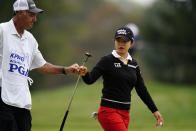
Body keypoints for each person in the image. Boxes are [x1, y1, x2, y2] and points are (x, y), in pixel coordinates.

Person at [0, 0, 80, 131]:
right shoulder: (2, 30)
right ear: (20, 13)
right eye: (31, 15)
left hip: (22, 102)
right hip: (3, 100)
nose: (35, 19)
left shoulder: (30, 39)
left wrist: (66, 70)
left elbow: (42, 65)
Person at [79, 27, 164, 131]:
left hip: (125, 113)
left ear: (131, 43)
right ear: (114, 42)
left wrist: (154, 110)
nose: (121, 44)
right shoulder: (107, 60)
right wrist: (85, 73)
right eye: (118, 40)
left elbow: (141, 90)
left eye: (125, 41)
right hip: (108, 112)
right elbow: (90, 79)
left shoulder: (134, 64)